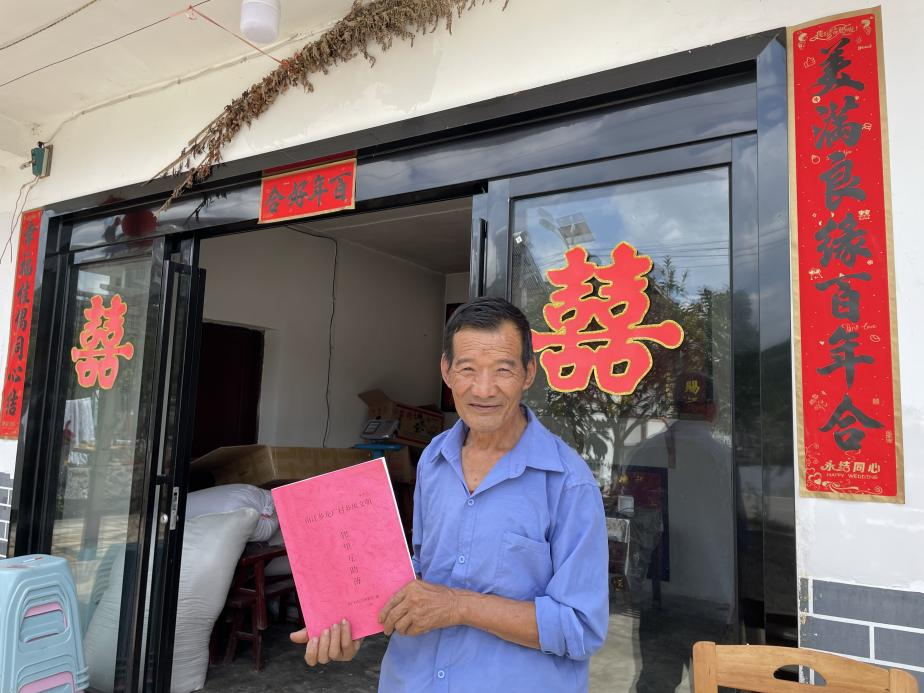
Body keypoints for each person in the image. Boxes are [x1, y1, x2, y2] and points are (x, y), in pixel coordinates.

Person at [291, 296, 609, 691]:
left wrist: (459, 606)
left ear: (529, 372)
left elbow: (581, 628)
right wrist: (353, 619)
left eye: (503, 369)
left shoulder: (568, 483)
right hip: (411, 680)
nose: (483, 389)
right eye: (467, 369)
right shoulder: (434, 459)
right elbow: (419, 570)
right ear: (446, 371)